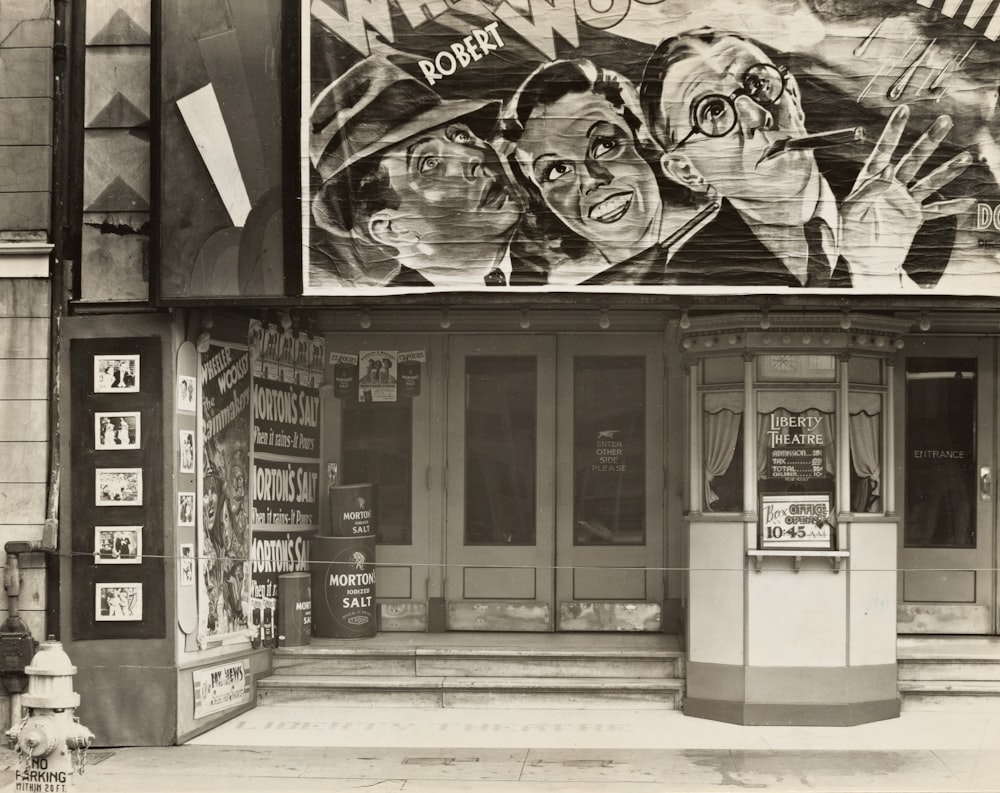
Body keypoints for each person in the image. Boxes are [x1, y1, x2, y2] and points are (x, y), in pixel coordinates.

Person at [640, 28, 976, 289]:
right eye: (713, 111)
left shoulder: (916, 221)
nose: (757, 115)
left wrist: (877, 271)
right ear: (687, 171)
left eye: (758, 83)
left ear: (795, 98)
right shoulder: (694, 272)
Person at [497, 58, 797, 286]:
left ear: (642, 139)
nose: (592, 179)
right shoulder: (561, 290)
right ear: (541, 197)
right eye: (557, 169)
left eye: (604, 144)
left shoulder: (738, 235)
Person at [309, 56, 525, 288]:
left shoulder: (551, 261)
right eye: (430, 164)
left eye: (462, 136)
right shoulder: (393, 315)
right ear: (393, 230)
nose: (474, 156)